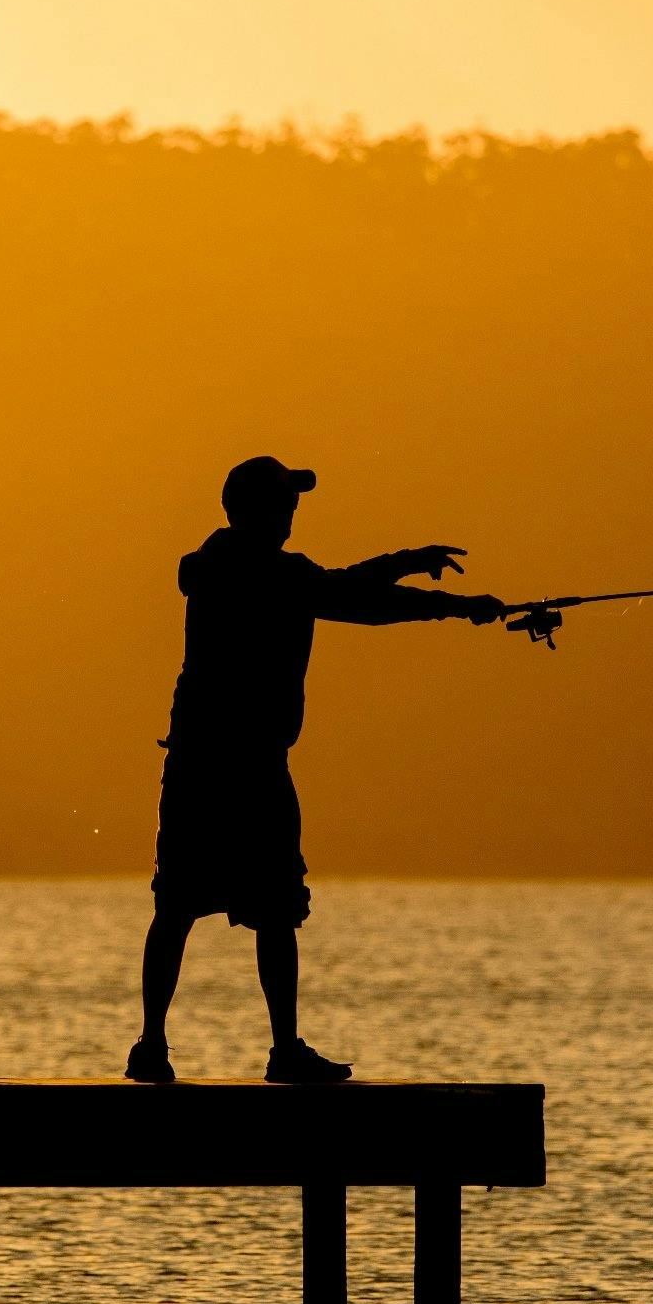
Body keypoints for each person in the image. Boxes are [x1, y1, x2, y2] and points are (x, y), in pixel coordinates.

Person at [128, 456, 505, 1084]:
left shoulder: (222, 568)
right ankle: (274, 1051)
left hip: (201, 766)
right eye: (285, 504)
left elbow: (339, 586)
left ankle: (154, 1047)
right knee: (264, 910)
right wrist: (454, 605)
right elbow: (350, 598)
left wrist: (410, 565)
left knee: (185, 905)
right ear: (257, 509)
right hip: (245, 772)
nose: (293, 515)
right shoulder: (264, 574)